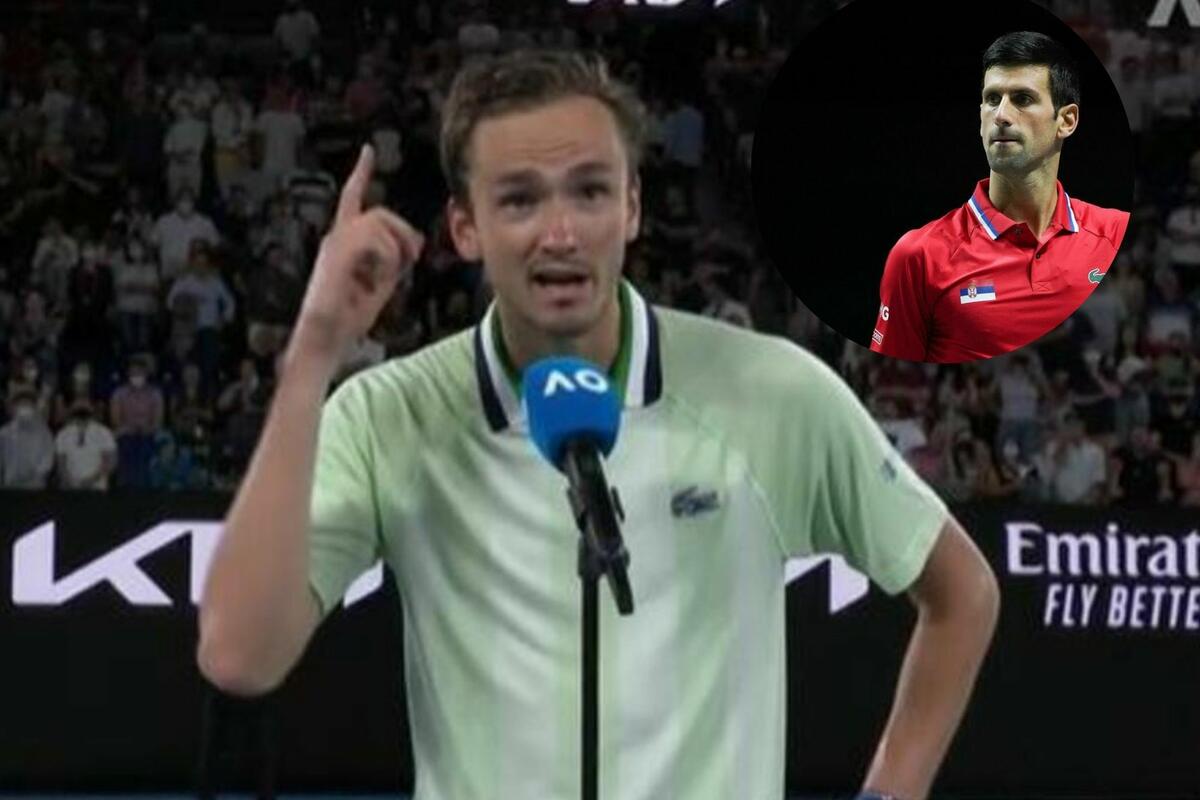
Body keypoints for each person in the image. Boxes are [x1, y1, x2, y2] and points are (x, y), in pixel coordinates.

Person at [198, 50, 998, 800]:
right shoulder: (390, 417)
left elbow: (962, 594)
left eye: (589, 191)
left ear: (632, 206)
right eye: (520, 199)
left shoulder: (771, 393)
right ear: (465, 228)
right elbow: (240, 656)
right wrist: (314, 352)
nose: (562, 233)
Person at [870, 31, 1129, 362]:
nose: (1002, 115)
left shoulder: (1114, 232)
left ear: (1066, 121)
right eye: (992, 99)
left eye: (1022, 99)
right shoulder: (918, 256)